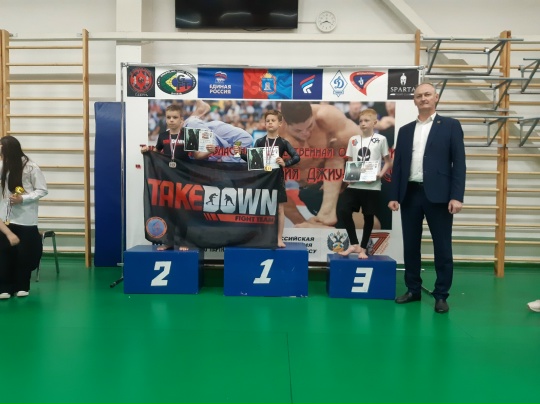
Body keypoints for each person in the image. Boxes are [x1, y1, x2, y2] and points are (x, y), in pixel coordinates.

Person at [388, 83, 466, 314]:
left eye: (427, 95)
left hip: (439, 196)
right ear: (414, 100)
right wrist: (394, 195)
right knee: (411, 246)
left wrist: (456, 196)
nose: (423, 98)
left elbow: (459, 163)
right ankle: (413, 289)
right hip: (410, 193)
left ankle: (441, 295)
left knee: (442, 247)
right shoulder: (405, 130)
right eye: (419, 96)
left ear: (436, 97)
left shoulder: (450, 126)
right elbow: (398, 165)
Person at [141, 103, 211, 251]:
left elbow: (197, 156)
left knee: (184, 211)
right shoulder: (162, 136)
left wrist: (210, 152)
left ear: (181, 120)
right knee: (167, 211)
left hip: (184, 178)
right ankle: (169, 241)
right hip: (166, 178)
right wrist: (147, 151)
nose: (171, 120)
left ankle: (184, 241)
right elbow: (156, 154)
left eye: (174, 117)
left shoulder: (189, 135)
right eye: (169, 117)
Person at [279, 101, 360, 228]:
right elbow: (270, 187)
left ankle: (327, 214)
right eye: (298, 130)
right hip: (311, 189)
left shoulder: (326, 116)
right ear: (285, 123)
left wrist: (352, 178)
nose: (306, 133)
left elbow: (360, 141)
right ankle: (322, 220)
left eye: (310, 126)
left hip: (339, 181)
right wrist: (301, 223)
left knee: (337, 149)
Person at [234, 109, 300, 248]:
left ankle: (279, 238)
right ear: (265, 123)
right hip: (263, 179)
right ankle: (260, 237)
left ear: (280, 123)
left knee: (279, 209)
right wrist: (240, 154)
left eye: (273, 120)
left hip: (277, 179)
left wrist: (285, 163)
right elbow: (253, 161)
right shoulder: (259, 141)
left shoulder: (283, 142)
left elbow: (296, 157)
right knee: (261, 208)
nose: (270, 123)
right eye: (268, 121)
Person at [337, 109, 392, 258]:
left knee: (368, 216)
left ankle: (363, 248)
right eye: (360, 121)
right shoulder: (353, 140)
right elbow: (350, 161)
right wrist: (349, 175)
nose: (363, 123)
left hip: (372, 186)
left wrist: (379, 175)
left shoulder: (380, 139)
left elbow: (388, 162)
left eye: (366, 121)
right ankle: (354, 244)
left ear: (374, 122)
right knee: (343, 210)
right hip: (354, 184)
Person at [0, 136, 48, 299]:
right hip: (5, 219)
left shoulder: (31, 167)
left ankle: (22, 286)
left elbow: (42, 190)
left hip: (26, 219)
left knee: (24, 255)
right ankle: (5, 287)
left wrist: (23, 198)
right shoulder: (2, 166)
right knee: (4, 254)